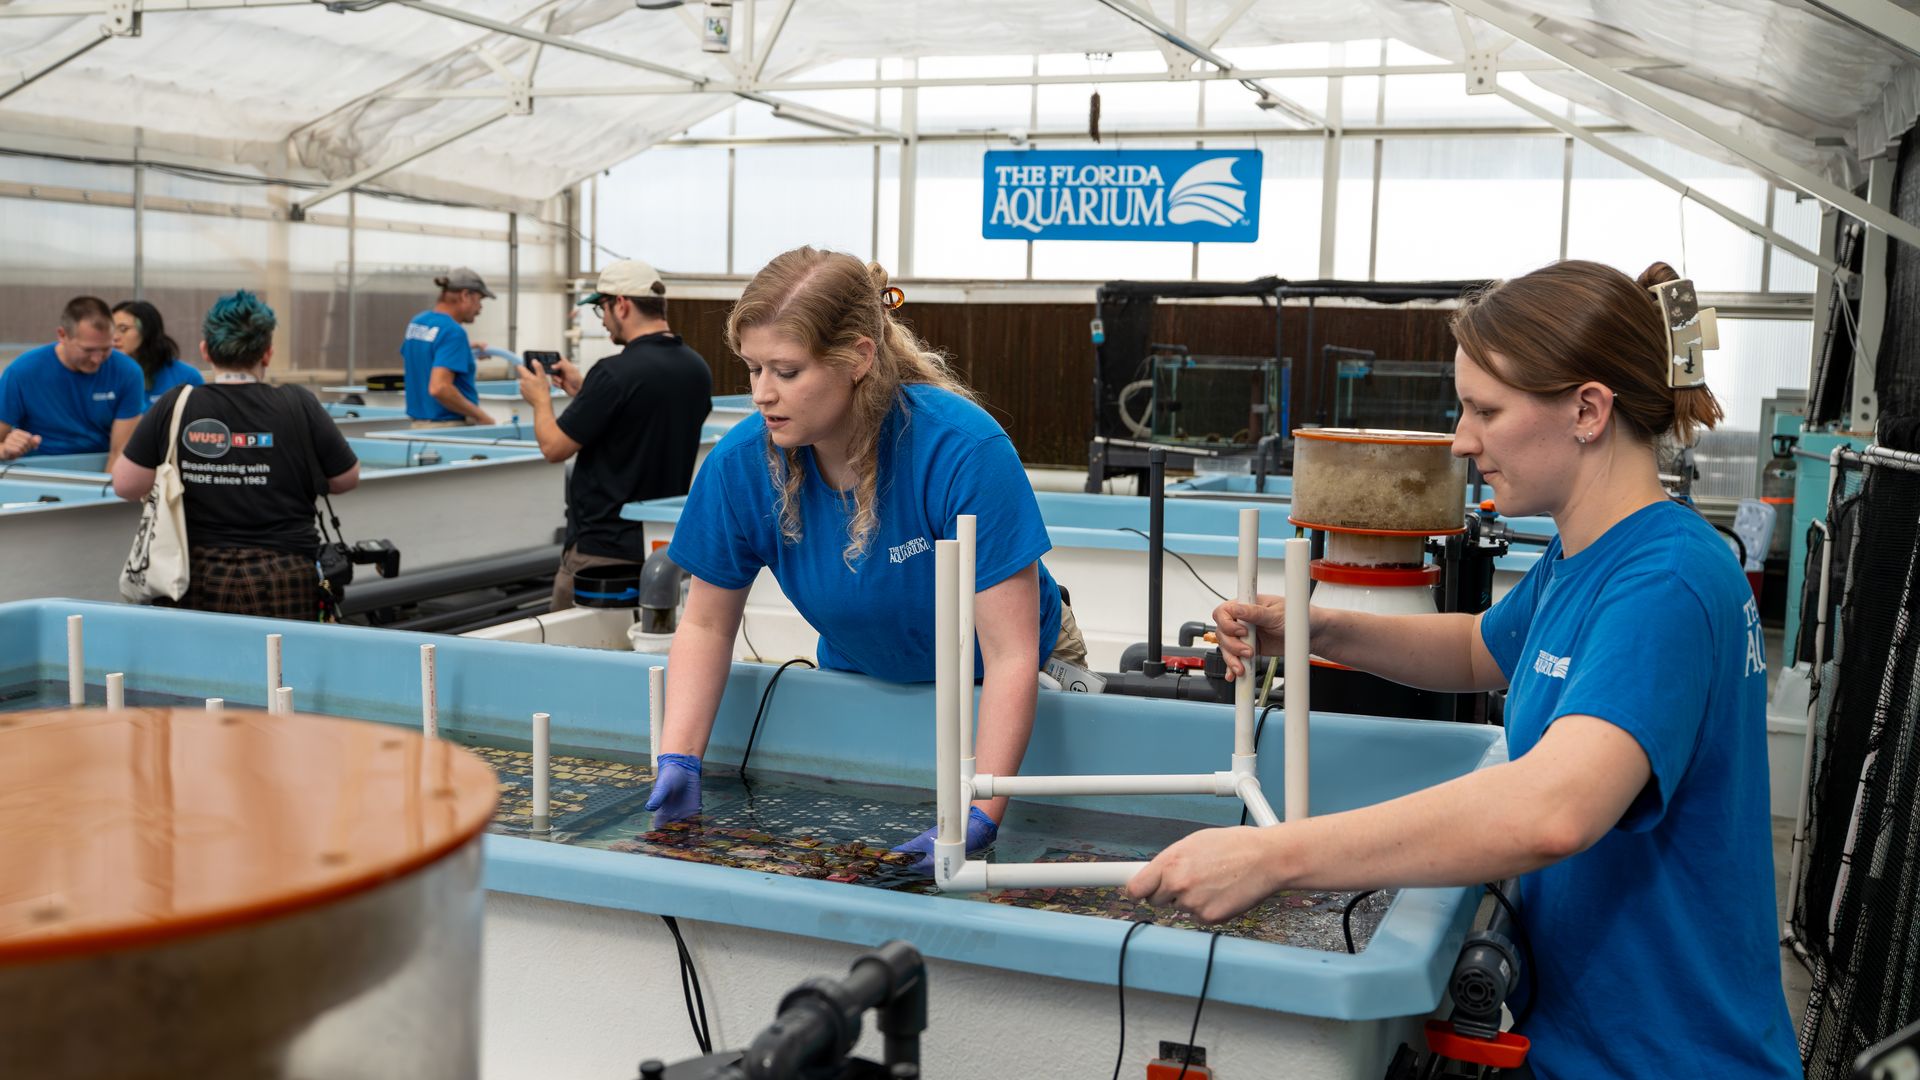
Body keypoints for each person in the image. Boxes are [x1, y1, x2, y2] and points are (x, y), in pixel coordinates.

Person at [1124, 260, 1799, 1080]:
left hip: (1667, 1058)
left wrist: (1275, 856)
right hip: (1592, 1043)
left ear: (1587, 410)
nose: (1460, 439)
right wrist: (1309, 627)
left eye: (1485, 410)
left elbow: (1555, 808)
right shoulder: (1586, 555)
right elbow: (1481, 647)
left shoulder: (1664, 582)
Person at [645, 246, 1087, 870]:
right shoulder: (742, 464)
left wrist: (981, 809)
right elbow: (706, 624)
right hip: (864, 670)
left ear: (858, 357)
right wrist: (680, 757)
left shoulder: (963, 449)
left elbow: (1012, 653)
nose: (762, 395)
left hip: (1010, 669)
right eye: (751, 369)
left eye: (787, 371)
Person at [111, 291, 361, 621]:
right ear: (268, 354)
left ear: (205, 351)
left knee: (202, 669)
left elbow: (126, 484)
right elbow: (345, 478)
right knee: (283, 669)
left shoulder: (177, 404)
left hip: (194, 573)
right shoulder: (297, 403)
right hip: (285, 572)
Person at [517, 258, 712, 611]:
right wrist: (583, 392)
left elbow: (553, 447)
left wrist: (540, 399)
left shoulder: (614, 372)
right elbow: (636, 423)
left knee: (575, 656)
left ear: (621, 304)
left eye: (602, 310)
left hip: (601, 553)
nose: (604, 321)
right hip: (662, 548)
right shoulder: (696, 368)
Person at [0, 296, 144, 464]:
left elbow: (119, 452)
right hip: (36, 468)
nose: (97, 359)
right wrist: (6, 449)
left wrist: (103, 488)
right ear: (62, 335)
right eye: (88, 350)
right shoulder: (22, 372)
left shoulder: (128, 372)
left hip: (99, 467)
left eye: (106, 349)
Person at [401, 267, 494, 427]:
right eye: (479, 300)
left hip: (417, 426)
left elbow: (426, 351)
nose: (480, 308)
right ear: (465, 296)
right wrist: (482, 417)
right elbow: (440, 388)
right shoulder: (453, 332)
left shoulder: (418, 322)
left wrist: (465, 349)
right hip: (447, 426)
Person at [112, 299, 204, 407]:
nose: (114, 337)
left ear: (147, 331)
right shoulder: (105, 374)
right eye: (111, 329)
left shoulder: (187, 376)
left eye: (123, 329)